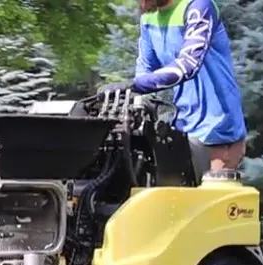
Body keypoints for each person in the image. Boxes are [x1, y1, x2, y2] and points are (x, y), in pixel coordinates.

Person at [105, 0, 248, 178]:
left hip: (218, 128)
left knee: (208, 202)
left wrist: (135, 85)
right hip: (183, 126)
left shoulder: (199, 6)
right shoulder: (149, 17)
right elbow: (145, 69)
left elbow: (188, 65)